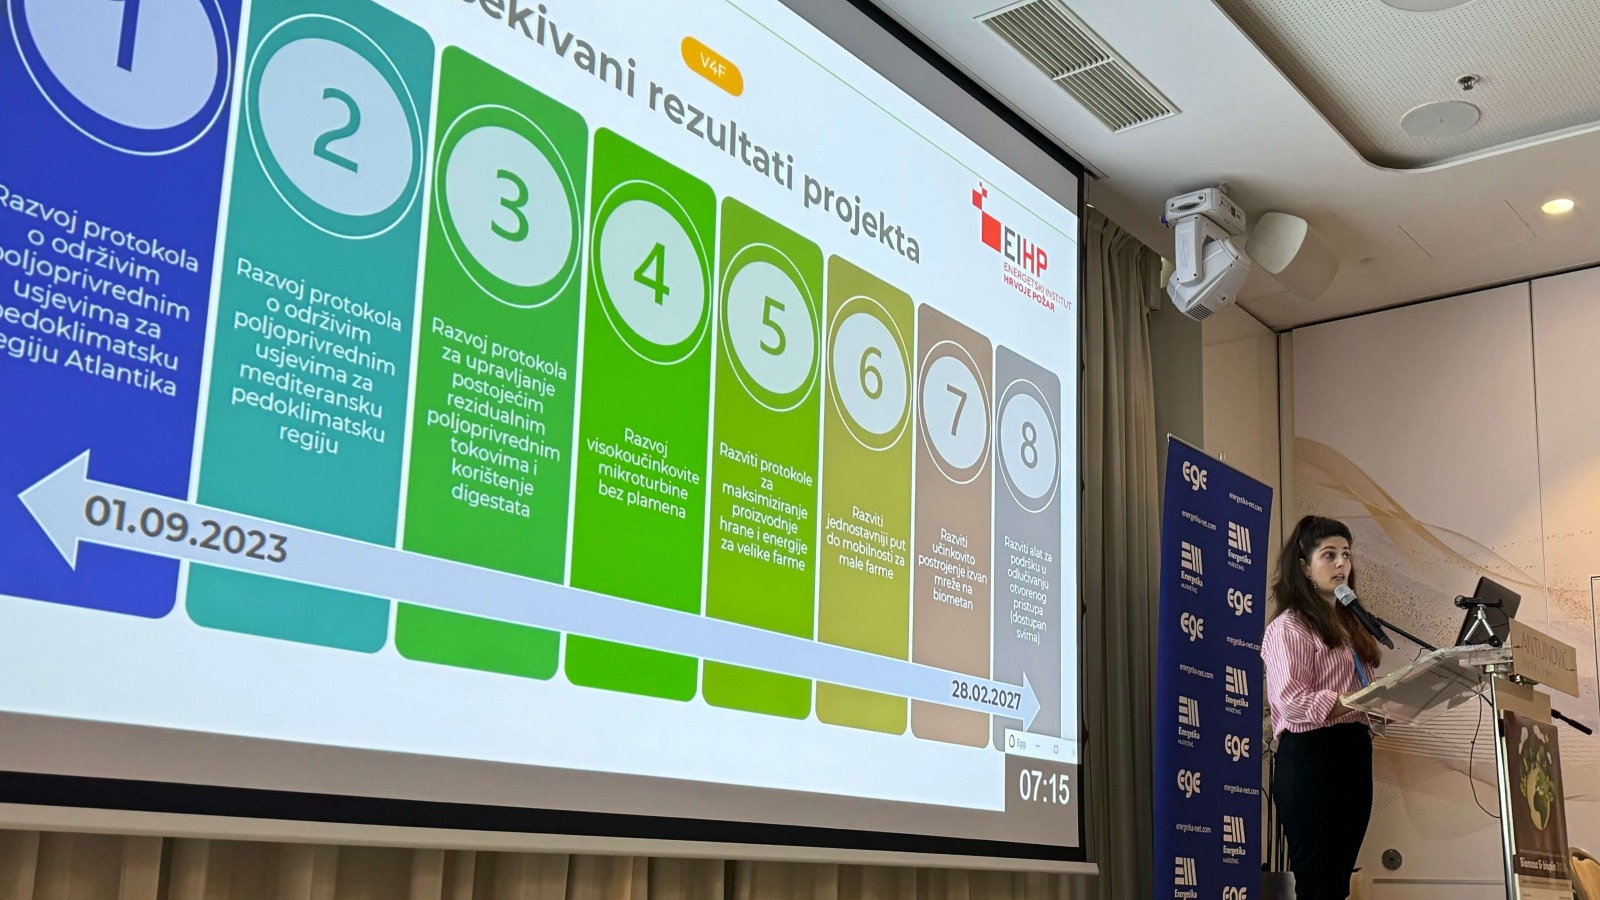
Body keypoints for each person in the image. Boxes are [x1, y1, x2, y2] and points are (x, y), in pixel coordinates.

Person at [1262, 515, 1381, 900]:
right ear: (1304, 567)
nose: (1341, 563)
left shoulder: (1350, 625)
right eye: (1329, 554)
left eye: (1346, 554)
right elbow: (1291, 701)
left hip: (1354, 754)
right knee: (1319, 886)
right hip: (1313, 758)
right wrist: (1353, 701)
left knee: (1337, 885)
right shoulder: (1289, 627)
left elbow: (1360, 695)